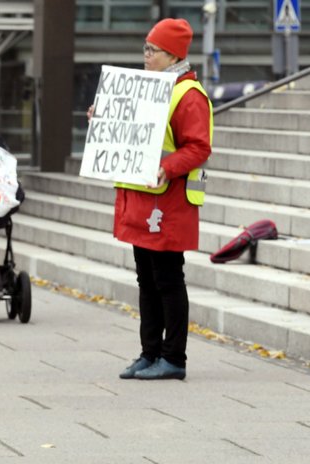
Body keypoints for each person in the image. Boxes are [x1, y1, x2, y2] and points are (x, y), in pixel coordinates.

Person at [93, 18, 212, 380]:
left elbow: (199, 146)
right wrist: (102, 120)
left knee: (167, 279)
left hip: (168, 200)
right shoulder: (144, 87)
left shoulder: (188, 95)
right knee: (146, 279)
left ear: (173, 54)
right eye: (145, 47)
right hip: (144, 197)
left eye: (152, 49)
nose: (145, 55)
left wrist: (169, 165)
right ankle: (149, 353)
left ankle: (173, 358)